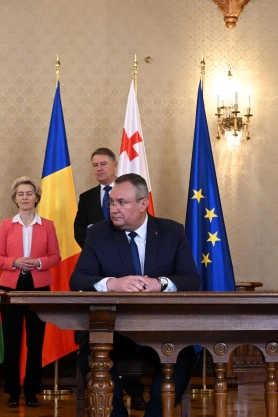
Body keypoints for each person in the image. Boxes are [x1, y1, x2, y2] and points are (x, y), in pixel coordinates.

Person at [70, 173, 200, 417]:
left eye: (122, 202)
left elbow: (191, 280)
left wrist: (160, 284)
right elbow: (78, 280)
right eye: (111, 202)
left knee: (183, 356)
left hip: (161, 329)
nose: (114, 209)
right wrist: (112, 283)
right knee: (90, 357)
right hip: (112, 329)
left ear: (143, 204)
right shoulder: (98, 233)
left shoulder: (172, 232)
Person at [0, 177, 61, 408]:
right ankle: (12, 391)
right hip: (10, 288)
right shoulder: (5, 225)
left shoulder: (48, 225)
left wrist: (39, 263)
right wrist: (16, 262)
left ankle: (32, 391)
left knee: (35, 341)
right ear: (14, 199)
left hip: (39, 288)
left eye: (29, 193)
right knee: (11, 341)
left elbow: (55, 256)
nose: (24, 197)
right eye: (20, 194)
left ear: (37, 197)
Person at [73, 148, 117, 249]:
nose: (99, 168)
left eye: (103, 164)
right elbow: (79, 230)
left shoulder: (128, 191)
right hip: (97, 254)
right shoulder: (86, 197)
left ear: (114, 165)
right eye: (95, 165)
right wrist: (93, 251)